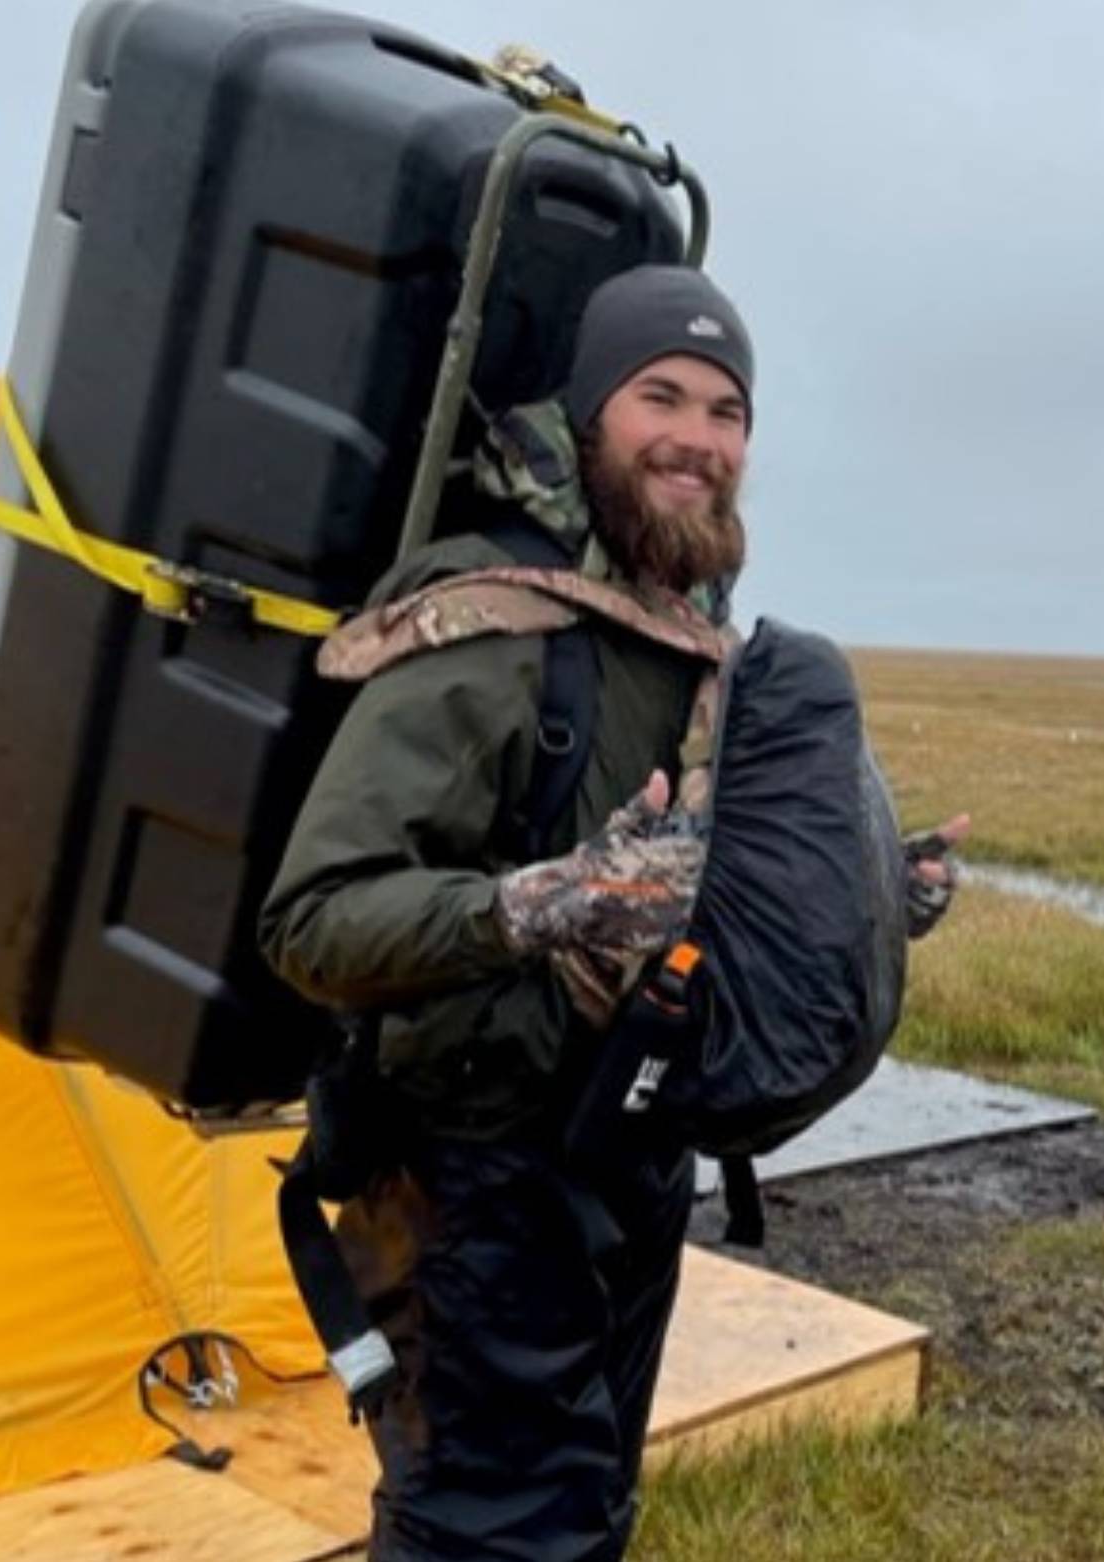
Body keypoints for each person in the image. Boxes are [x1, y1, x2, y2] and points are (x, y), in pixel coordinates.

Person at [259, 264, 966, 1562]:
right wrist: (546, 901)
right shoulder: (493, 627)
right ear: (592, 415)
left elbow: (691, 876)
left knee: (581, 1516)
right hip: (475, 1179)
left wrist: (871, 896)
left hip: (625, 1160)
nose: (698, 436)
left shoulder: (686, 627)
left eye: (726, 409)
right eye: (662, 395)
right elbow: (314, 919)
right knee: (491, 1534)